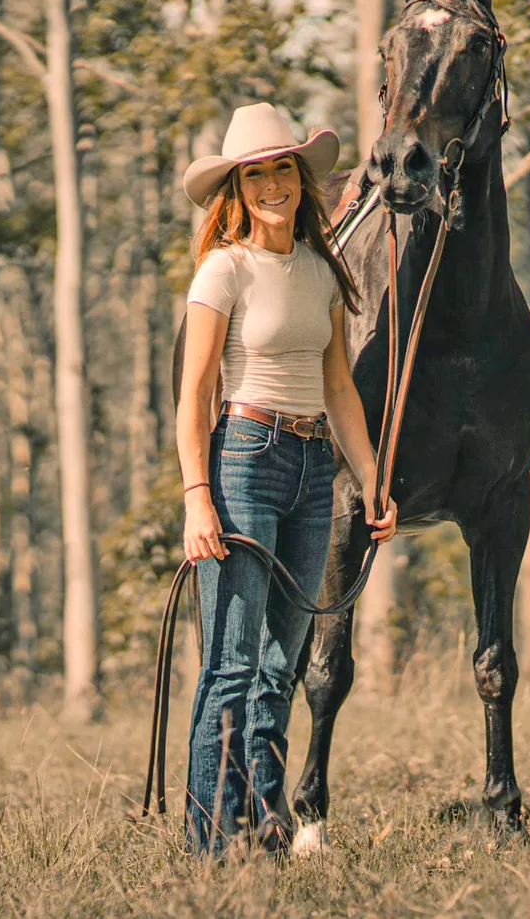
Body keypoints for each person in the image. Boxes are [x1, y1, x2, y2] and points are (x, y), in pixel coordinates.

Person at [177, 102, 397, 859]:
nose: (271, 184)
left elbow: (339, 388)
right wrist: (196, 497)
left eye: (282, 169)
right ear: (237, 188)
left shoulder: (320, 272)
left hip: (311, 468)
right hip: (242, 455)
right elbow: (194, 393)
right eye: (255, 173)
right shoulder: (223, 269)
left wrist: (371, 480)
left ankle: (262, 826)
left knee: (281, 663)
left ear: (301, 180)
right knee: (231, 664)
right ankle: (208, 845)